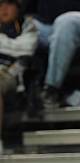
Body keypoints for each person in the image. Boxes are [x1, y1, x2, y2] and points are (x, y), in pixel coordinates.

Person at [23, 1, 80, 109]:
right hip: (50, 29)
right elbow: (28, 11)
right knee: (29, 25)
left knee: (65, 22)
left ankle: (51, 89)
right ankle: (21, 89)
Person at [0, 0, 37, 154]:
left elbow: (27, 49)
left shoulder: (28, 25)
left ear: (18, 7)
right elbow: (18, 47)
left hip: (11, 75)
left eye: (8, 4)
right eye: (0, 5)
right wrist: (12, 45)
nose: (4, 9)